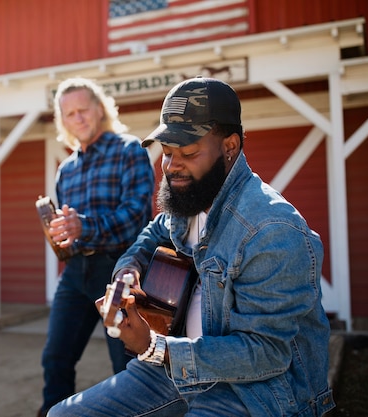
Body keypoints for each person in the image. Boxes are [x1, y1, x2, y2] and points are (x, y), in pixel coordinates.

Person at [48, 77, 336, 416]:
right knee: (63, 414)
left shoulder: (271, 229)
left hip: (255, 392)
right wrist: (129, 269)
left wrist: (157, 348)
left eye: (188, 152)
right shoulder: (191, 202)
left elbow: (267, 353)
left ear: (229, 147)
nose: (171, 167)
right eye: (167, 153)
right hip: (176, 374)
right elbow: (152, 233)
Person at [38, 77, 155, 416]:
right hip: (76, 272)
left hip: (119, 270)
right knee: (55, 358)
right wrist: (61, 233)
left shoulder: (129, 149)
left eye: (83, 110)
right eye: (69, 113)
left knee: (127, 365)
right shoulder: (66, 170)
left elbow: (135, 218)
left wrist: (83, 225)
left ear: (100, 109)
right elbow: (73, 232)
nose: (78, 118)